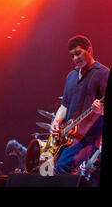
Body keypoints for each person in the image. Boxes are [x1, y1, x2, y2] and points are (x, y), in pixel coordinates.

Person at [51, 35, 109, 175]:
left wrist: (100, 109)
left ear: (89, 50)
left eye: (78, 53)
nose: (75, 58)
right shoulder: (70, 76)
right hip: (68, 136)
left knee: (63, 166)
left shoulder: (103, 73)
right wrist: (57, 121)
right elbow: (64, 106)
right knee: (48, 168)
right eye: (72, 56)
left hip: (88, 137)